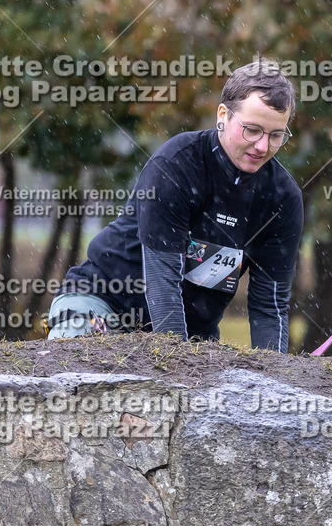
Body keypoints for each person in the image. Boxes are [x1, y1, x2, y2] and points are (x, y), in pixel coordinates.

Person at [47, 59, 303, 351]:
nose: (262, 146)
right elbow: (162, 280)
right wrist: (177, 365)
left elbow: (269, 306)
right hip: (103, 303)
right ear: (223, 115)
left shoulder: (282, 199)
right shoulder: (176, 164)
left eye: (276, 135)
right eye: (252, 130)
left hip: (194, 335)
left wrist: (270, 381)